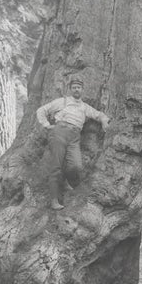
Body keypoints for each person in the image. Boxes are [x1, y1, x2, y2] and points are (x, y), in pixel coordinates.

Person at [35, 77, 110, 210]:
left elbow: (99, 115)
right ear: (70, 89)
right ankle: (54, 200)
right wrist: (47, 125)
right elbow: (41, 110)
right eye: (74, 87)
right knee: (55, 167)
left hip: (75, 136)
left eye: (79, 87)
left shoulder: (84, 107)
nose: (76, 89)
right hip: (60, 132)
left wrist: (104, 121)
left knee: (76, 165)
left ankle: (65, 181)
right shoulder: (62, 102)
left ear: (82, 90)